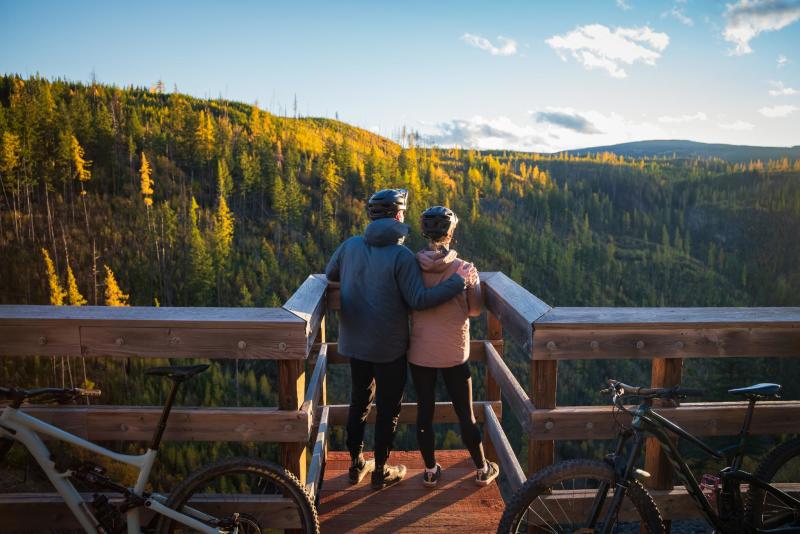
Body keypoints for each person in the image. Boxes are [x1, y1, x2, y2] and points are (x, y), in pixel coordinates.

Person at [325, 189, 478, 490]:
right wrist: (458, 282)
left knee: (359, 402)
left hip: (356, 341)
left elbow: (331, 273)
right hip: (390, 347)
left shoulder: (350, 246)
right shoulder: (401, 256)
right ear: (397, 216)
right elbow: (419, 300)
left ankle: (356, 465)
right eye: (404, 212)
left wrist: (360, 282)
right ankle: (380, 470)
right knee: (388, 408)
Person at [407, 206, 500, 488]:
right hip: (454, 353)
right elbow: (474, 310)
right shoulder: (465, 269)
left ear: (425, 232)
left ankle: (430, 470)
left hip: (420, 352)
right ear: (451, 233)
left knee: (424, 412)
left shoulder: (411, 266)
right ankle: (482, 468)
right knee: (465, 413)